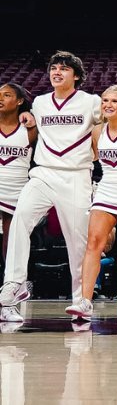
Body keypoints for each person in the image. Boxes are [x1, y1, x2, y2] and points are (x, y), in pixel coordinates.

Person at [0, 52, 100, 323]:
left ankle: (81, 300)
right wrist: (28, 117)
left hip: (76, 176)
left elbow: (111, 119)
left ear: (76, 76)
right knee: (20, 218)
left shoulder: (91, 101)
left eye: (64, 69)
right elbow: (27, 118)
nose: (57, 72)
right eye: (54, 68)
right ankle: (15, 283)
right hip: (43, 173)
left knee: (78, 241)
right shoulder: (41, 103)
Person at [68, 85, 117, 321]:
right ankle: (84, 301)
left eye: (114, 101)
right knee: (93, 244)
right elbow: (92, 159)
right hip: (106, 191)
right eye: (104, 100)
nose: (108, 105)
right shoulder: (97, 131)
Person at [0, 84, 34, 276]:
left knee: (12, 241)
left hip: (17, 188)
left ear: (19, 101)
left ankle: (13, 282)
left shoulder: (30, 129)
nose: (0, 98)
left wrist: (31, 117)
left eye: (6, 95)